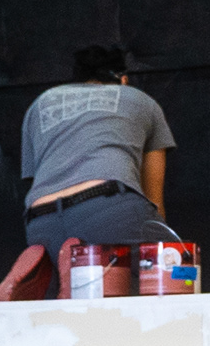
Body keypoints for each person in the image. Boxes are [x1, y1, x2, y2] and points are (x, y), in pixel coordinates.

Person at [19, 45, 179, 257]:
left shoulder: (41, 103)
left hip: (40, 219)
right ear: (123, 80)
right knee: (176, 263)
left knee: (81, 269)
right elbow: (154, 199)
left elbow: (34, 179)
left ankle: (67, 265)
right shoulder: (141, 100)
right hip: (108, 206)